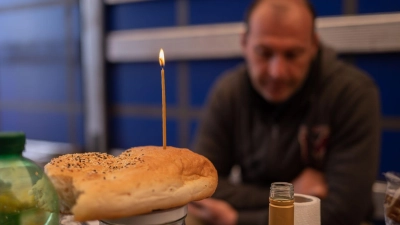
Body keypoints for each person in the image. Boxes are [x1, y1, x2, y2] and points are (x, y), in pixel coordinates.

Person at [189, 0, 381, 225]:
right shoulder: (228, 92)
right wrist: (290, 194)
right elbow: (199, 187)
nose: (277, 72)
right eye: (264, 52)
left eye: (292, 55)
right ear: (244, 43)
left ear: (313, 46)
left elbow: (345, 212)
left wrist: (237, 219)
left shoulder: (352, 93)